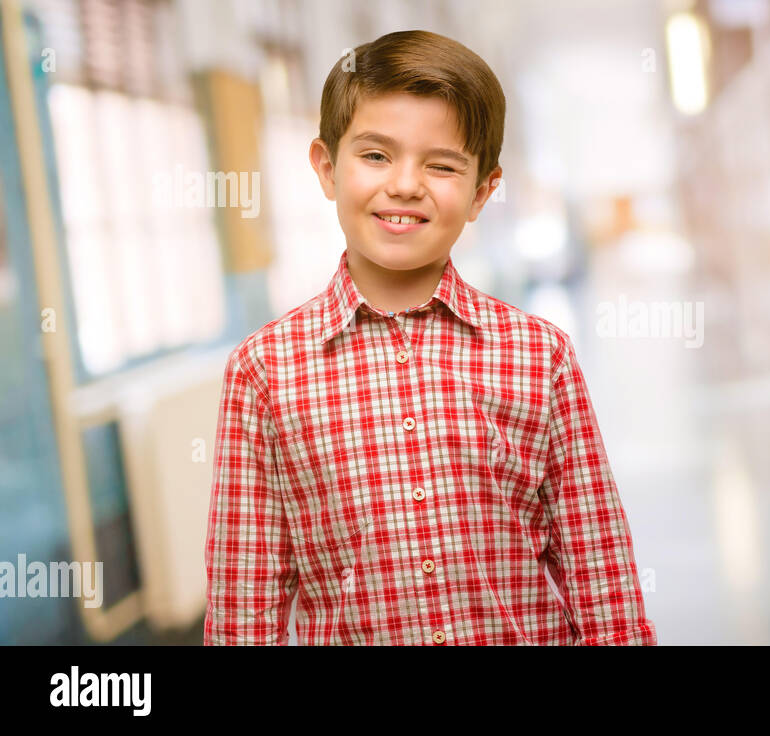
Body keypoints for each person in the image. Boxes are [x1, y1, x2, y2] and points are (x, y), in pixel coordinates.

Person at [203, 30, 655, 645]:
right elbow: (244, 602)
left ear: (482, 192)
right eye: (376, 156)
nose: (406, 185)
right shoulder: (264, 372)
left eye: (442, 165)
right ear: (327, 168)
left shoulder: (538, 356)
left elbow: (598, 568)